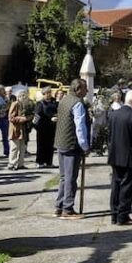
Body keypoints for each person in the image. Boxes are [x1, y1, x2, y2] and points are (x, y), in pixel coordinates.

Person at [54, 78, 90, 219]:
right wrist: (85, 146)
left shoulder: (64, 99)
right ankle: (67, 209)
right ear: (78, 89)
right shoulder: (77, 103)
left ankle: (59, 206)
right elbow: (80, 127)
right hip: (71, 145)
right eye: (85, 87)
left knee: (64, 177)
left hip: (61, 143)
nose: (87, 90)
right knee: (70, 178)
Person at [107, 89, 132, 225]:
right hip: (129, 157)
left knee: (116, 185)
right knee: (127, 187)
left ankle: (114, 215)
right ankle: (123, 216)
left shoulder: (113, 115)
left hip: (115, 156)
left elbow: (110, 137)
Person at [7, 89, 32, 170]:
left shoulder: (25, 105)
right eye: (22, 95)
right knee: (14, 147)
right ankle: (11, 164)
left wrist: (30, 117)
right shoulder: (15, 104)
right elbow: (11, 118)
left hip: (23, 130)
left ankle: (20, 164)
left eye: (25, 95)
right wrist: (23, 118)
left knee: (22, 147)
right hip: (15, 129)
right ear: (18, 96)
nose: (24, 97)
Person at [33, 88, 58, 168]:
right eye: (47, 93)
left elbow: (57, 111)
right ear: (43, 94)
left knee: (50, 145)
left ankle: (49, 162)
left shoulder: (54, 102)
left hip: (51, 127)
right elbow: (37, 116)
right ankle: (39, 162)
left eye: (50, 93)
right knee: (41, 145)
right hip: (42, 128)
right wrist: (36, 126)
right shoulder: (40, 104)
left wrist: (55, 117)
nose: (49, 95)